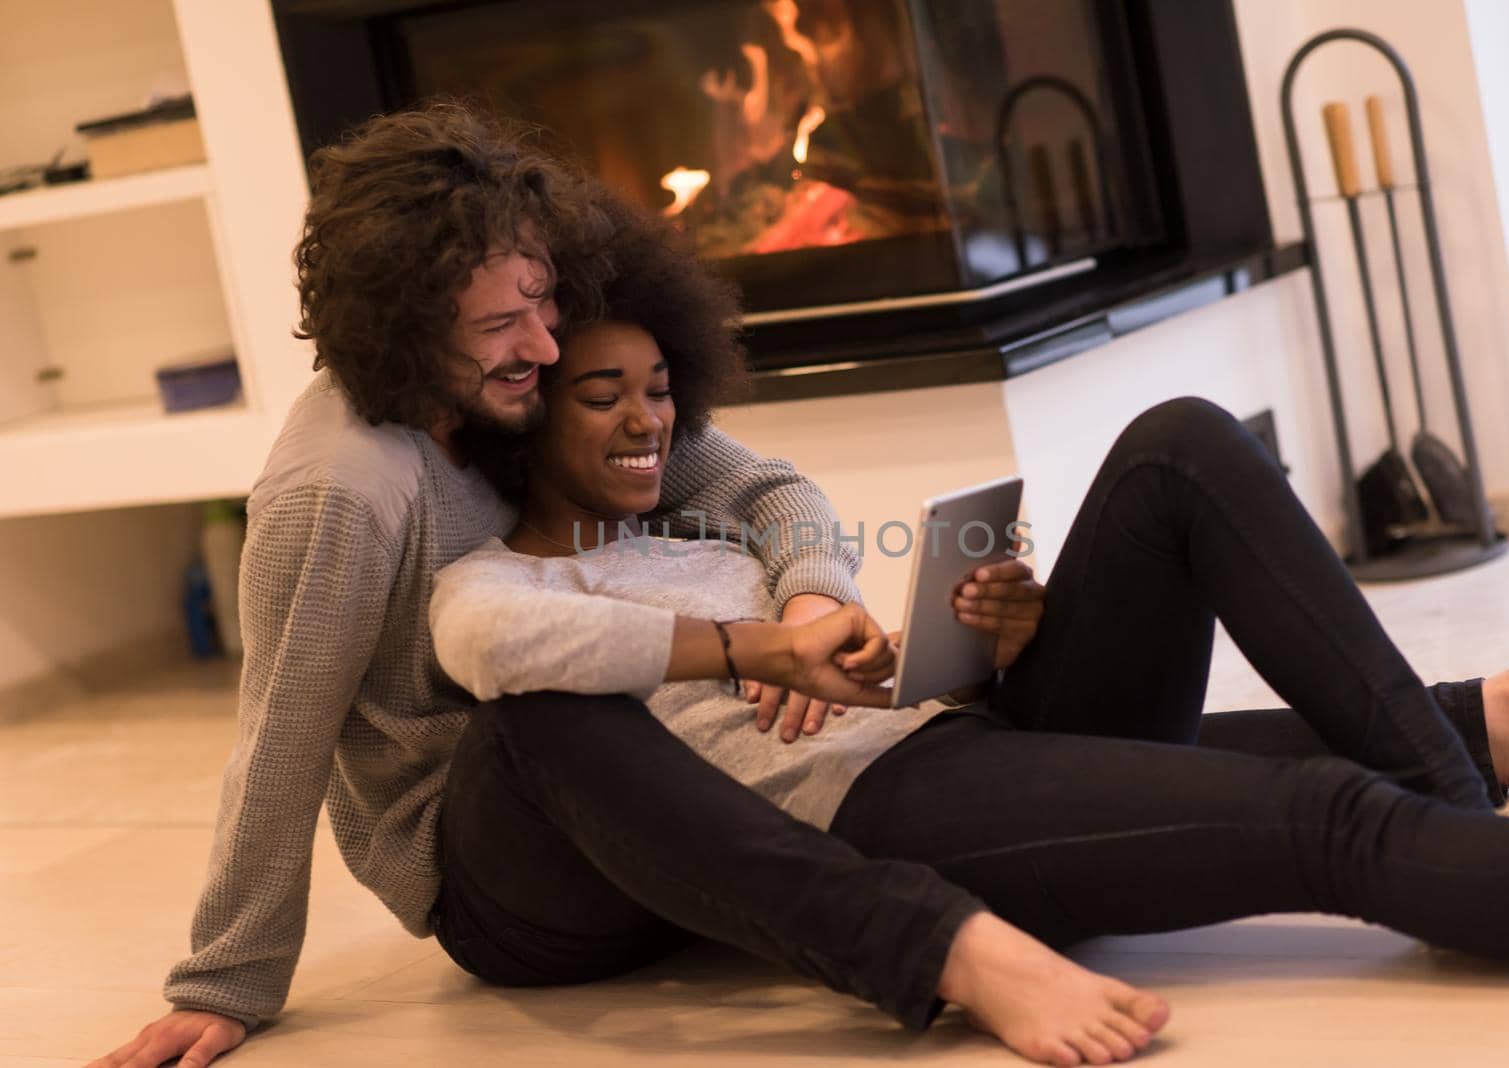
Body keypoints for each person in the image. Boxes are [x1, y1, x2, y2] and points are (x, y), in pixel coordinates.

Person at [429, 300, 1509, 1066]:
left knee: (1180, 442)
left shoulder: (712, 543)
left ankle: (1456, 800)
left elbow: (844, 662)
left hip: (955, 733)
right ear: (524, 429)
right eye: (602, 396)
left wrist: (989, 643)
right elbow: (493, 651)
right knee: (1327, 821)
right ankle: (1465, 829)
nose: (646, 419)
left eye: (656, 388)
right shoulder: (493, 586)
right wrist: (753, 650)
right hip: (888, 816)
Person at [87, 102, 924, 1068]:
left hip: (644, 798)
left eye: (542, 298)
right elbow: (281, 742)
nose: (548, 344)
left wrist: (811, 597)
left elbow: (768, 490)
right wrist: (225, 984)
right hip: (505, 874)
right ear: (406, 329)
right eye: (500, 322)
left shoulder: (521, 387)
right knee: (544, 711)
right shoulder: (341, 494)